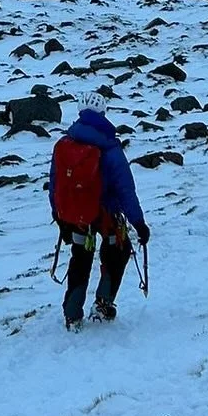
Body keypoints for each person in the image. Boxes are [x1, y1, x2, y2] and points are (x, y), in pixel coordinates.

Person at [48, 96, 150, 327]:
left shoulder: (65, 144)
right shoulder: (110, 148)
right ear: (103, 113)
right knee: (118, 251)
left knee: (80, 257)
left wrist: (58, 214)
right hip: (106, 215)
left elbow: (55, 183)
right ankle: (103, 304)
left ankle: (72, 313)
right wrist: (139, 222)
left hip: (75, 216)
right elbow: (125, 189)